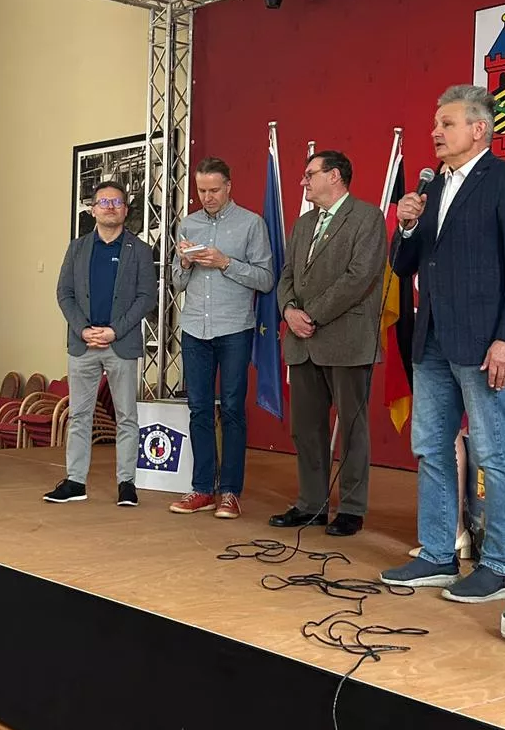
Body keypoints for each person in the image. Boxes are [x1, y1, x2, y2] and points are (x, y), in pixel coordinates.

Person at [381, 84, 505, 602]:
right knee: (431, 447)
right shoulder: (431, 187)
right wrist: (406, 227)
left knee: (493, 450)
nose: (435, 132)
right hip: (431, 340)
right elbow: (403, 265)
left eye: (446, 124)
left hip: (483, 341)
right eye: (435, 124)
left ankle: (500, 564)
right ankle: (437, 555)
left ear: (479, 129)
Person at [269, 150, 387, 537]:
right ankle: (312, 504)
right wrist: (289, 310)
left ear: (334, 176)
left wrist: (311, 315)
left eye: (310, 174)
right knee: (306, 429)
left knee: (352, 429)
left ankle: (351, 509)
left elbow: (359, 277)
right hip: (302, 341)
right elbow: (287, 274)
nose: (303, 181)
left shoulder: (367, 217)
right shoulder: (304, 223)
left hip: (347, 340)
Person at [169, 157, 275, 520]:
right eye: (201, 190)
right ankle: (202, 489)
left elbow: (266, 279)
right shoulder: (188, 223)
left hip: (234, 328)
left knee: (231, 408)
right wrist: (184, 263)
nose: (208, 197)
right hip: (194, 327)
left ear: (229, 186)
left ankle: (230, 491)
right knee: (198, 408)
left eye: (214, 190)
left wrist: (225, 262)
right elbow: (176, 282)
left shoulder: (251, 224)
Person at [47, 179, 156, 507]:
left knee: (126, 416)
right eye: (103, 203)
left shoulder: (139, 250)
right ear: (93, 210)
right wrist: (83, 329)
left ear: (126, 210)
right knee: (79, 415)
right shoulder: (77, 248)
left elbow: (146, 297)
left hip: (120, 344)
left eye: (116, 202)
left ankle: (127, 484)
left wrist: (114, 331)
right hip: (83, 344)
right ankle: (75, 481)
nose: (110, 208)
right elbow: (64, 293)